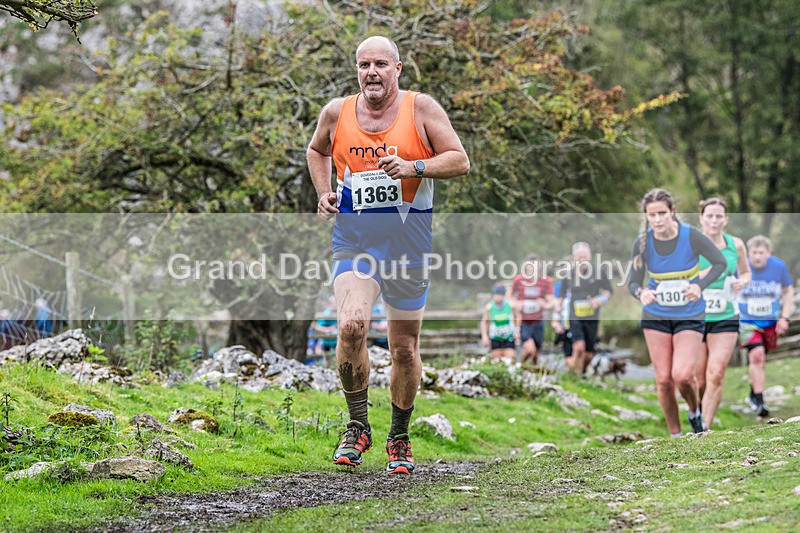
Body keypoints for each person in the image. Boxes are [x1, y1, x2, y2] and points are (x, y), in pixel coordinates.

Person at [307, 35, 469, 474]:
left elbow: (459, 160)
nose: (372, 72)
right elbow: (317, 150)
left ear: (398, 68)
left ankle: (399, 435)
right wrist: (325, 193)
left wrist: (416, 166)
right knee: (352, 326)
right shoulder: (336, 113)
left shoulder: (422, 109)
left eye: (381, 63)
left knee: (402, 349)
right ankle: (358, 426)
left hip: (409, 249)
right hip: (354, 243)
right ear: (356, 70)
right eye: (364, 65)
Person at [627, 189, 726, 435]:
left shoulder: (691, 236)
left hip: (689, 315)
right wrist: (642, 293)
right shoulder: (642, 243)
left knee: (682, 375)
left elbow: (719, 263)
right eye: (652, 215)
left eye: (662, 213)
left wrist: (698, 286)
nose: (658, 220)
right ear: (646, 217)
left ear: (672, 212)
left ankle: (695, 412)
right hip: (656, 317)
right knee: (663, 381)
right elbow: (632, 282)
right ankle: (676, 435)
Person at [695, 198, 751, 428]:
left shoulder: (735, 245)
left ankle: (703, 430)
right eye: (710, 216)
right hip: (695, 317)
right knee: (698, 379)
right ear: (701, 219)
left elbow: (746, 273)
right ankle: (696, 414)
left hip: (726, 316)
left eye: (719, 216)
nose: (714, 220)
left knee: (716, 374)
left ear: (725, 220)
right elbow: (682, 279)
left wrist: (741, 282)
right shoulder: (691, 245)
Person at [737, 235, 794, 417]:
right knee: (757, 355)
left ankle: (753, 393)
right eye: (754, 252)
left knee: (761, 359)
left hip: (770, 321)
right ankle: (761, 401)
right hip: (747, 321)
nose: (758, 256)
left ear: (768, 254)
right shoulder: (741, 267)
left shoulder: (778, 267)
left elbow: (788, 291)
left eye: (761, 253)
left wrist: (784, 317)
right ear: (748, 253)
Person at [556, 242, 612, 374]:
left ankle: (581, 373)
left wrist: (599, 300)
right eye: (579, 257)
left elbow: (608, 290)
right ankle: (574, 377)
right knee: (579, 347)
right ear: (573, 258)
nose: (582, 260)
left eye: (584, 257)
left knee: (587, 354)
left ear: (590, 256)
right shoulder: (568, 275)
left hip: (592, 317)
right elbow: (560, 296)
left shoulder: (599, 272)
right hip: (574, 316)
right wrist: (558, 309)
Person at [510, 253, 554, 366]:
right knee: (530, 349)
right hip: (524, 320)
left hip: (538, 320)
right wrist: (516, 304)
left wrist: (544, 304)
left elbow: (551, 301)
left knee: (536, 353)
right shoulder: (519, 279)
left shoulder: (546, 281)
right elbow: (509, 297)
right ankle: (520, 366)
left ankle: (532, 371)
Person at [480, 285, 520, 361]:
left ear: (503, 295)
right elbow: (484, 322)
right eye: (495, 295)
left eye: (499, 295)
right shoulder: (489, 307)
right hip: (495, 337)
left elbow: (518, 317)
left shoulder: (510, 305)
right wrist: (484, 336)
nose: (497, 297)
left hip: (509, 336)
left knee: (509, 360)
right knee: (496, 361)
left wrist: (517, 330)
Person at [551, 279, 573, 361]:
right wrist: (556, 324)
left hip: (580, 326)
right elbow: (556, 308)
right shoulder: (559, 286)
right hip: (566, 328)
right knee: (569, 355)